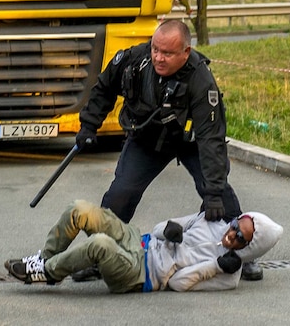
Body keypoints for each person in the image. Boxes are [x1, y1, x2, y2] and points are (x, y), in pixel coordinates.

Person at [74, 19, 263, 280]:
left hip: (190, 141)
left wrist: (213, 192)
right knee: (120, 193)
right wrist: (89, 125)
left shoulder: (200, 79)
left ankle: (242, 254)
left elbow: (211, 139)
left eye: (168, 53)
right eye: (155, 49)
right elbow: (104, 87)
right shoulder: (134, 60)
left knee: (220, 198)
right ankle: (98, 254)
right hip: (147, 139)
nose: (159, 58)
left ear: (186, 52)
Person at [4, 200, 283, 292]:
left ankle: (48, 272)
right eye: (236, 225)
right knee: (81, 209)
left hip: (139, 274)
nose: (231, 235)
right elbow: (161, 229)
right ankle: (45, 258)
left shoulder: (230, 275)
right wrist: (169, 229)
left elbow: (178, 284)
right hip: (138, 241)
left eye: (240, 239)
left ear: (250, 248)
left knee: (99, 244)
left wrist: (214, 266)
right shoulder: (212, 222)